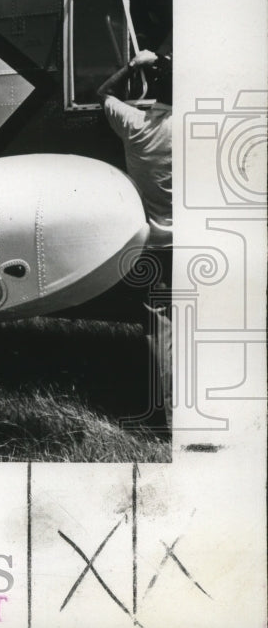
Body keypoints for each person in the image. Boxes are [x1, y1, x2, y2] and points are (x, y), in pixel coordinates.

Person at [98, 47, 173, 426]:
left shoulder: (135, 124)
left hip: (157, 246)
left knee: (162, 333)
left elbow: (103, 94)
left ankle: (172, 418)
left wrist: (134, 65)